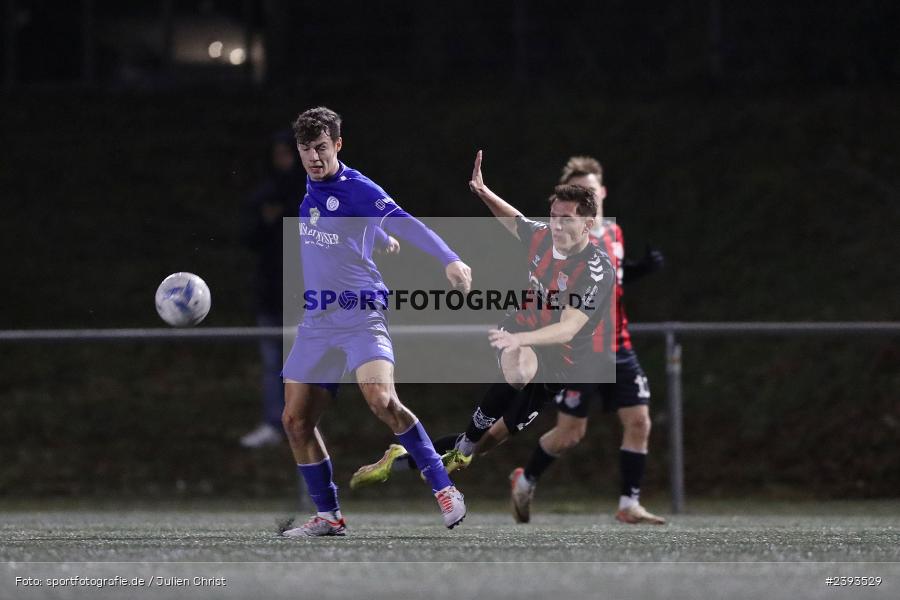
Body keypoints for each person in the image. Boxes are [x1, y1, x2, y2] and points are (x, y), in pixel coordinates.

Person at [351, 154, 665, 525]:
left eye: (567, 220)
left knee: (494, 438)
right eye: (554, 217)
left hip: (562, 360)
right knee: (517, 373)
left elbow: (568, 330)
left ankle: (402, 456)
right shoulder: (544, 237)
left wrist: (528, 339)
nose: (557, 226)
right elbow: (513, 219)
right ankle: (463, 446)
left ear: (589, 223)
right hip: (524, 333)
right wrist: (483, 191)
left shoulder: (596, 271)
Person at [278, 107, 471, 537]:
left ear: (338, 145)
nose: (313, 157)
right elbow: (342, 227)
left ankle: (444, 488)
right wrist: (376, 238)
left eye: (321, 148)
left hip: (361, 312)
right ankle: (329, 516)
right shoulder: (310, 189)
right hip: (318, 320)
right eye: (306, 149)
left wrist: (450, 259)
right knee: (294, 420)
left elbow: (404, 221)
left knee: (382, 399)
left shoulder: (357, 186)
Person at [509, 156, 665, 525]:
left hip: (619, 343)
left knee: (640, 421)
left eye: (591, 190)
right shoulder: (560, 242)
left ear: (600, 194)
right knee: (569, 434)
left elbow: (611, 281)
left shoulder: (614, 233)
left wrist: (637, 272)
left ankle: (629, 503)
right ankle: (525, 480)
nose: (588, 195)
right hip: (582, 350)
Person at [240, 132, 399, 448]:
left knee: (338, 366)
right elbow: (249, 236)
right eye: (282, 154)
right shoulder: (265, 196)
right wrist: (265, 221)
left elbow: (352, 224)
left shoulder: (318, 195)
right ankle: (280, 423)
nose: (288, 160)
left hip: (316, 297)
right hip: (273, 293)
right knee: (277, 364)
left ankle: (323, 418)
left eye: (290, 153)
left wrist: (380, 238)